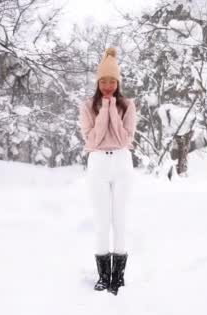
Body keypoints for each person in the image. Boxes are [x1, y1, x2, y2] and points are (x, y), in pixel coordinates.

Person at [78, 47, 137, 296]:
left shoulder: (128, 105)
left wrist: (113, 109)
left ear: (118, 81)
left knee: (120, 221)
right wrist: (103, 109)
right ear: (98, 82)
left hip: (122, 163)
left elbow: (124, 139)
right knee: (102, 222)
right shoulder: (87, 106)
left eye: (112, 80)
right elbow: (92, 141)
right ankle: (103, 276)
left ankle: (118, 276)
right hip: (98, 164)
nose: (108, 85)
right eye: (104, 80)